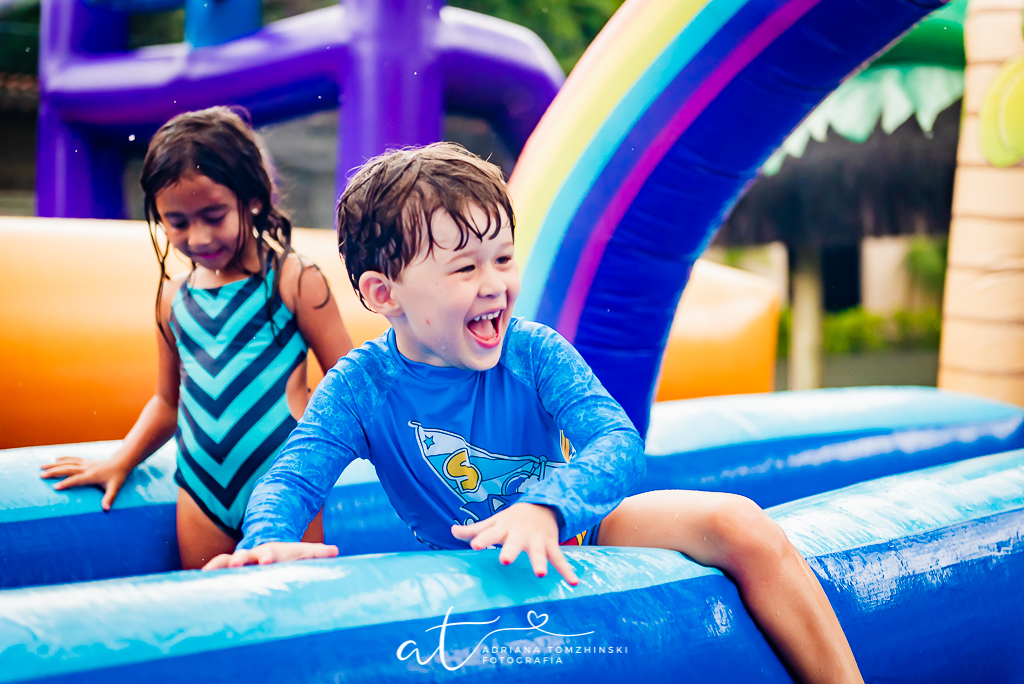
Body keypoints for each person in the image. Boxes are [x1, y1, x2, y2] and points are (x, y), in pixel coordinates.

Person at [204, 143, 863, 683]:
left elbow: (615, 442)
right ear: (385, 294)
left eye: (503, 258)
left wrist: (549, 506)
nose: (494, 283)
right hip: (455, 568)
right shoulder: (361, 386)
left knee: (738, 520)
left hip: (583, 529)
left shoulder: (535, 351)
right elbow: (292, 476)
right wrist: (265, 542)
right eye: (464, 267)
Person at [40, 107, 353, 569]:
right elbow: (168, 402)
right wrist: (121, 460)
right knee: (211, 613)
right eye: (179, 221)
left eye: (213, 214)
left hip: (285, 478)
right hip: (201, 491)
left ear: (253, 199)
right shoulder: (173, 299)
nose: (199, 236)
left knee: (289, 610)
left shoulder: (292, 279)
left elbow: (348, 381)